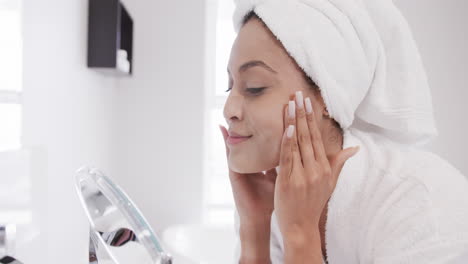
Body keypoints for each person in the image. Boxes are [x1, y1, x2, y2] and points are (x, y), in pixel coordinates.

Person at [218, 0, 468, 263]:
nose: (228, 109)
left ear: (327, 95)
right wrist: (254, 230)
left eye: (255, 87)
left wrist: (301, 236)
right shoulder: (275, 191)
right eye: (229, 86)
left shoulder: (423, 205)